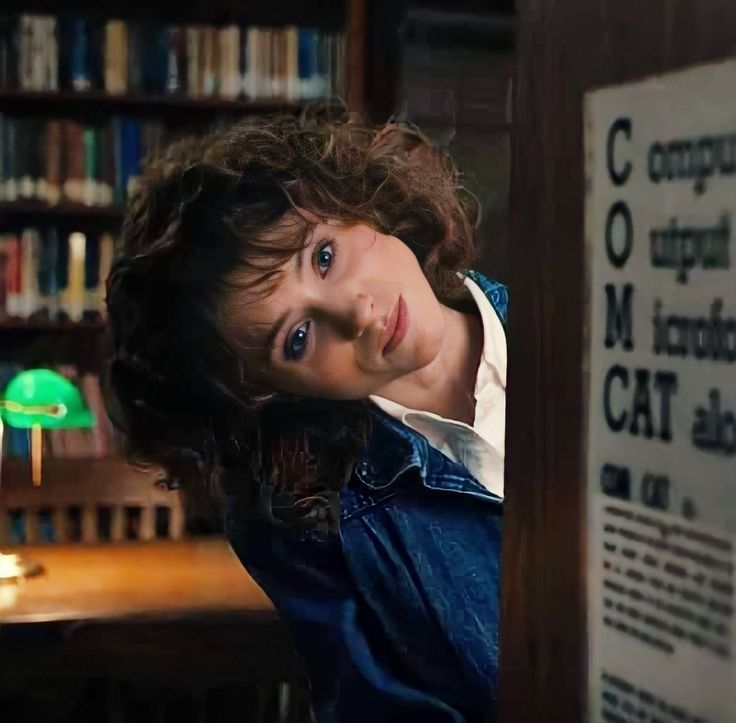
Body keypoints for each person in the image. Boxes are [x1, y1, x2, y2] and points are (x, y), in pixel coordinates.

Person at [105, 112, 508, 723]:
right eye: (296, 339)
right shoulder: (306, 521)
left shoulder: (591, 317)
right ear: (271, 393)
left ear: (354, 203)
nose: (355, 313)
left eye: (323, 257)